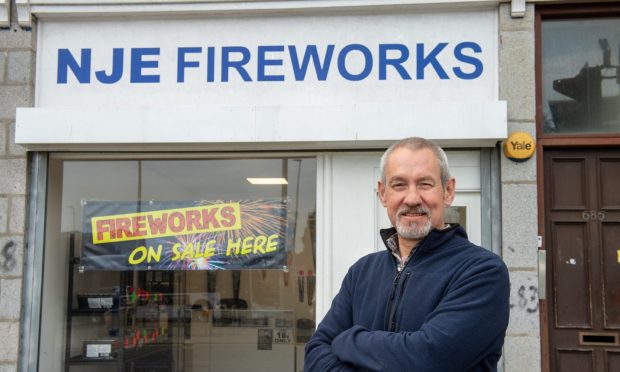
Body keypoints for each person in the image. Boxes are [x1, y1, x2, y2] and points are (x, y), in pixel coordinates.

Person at [304, 137, 510, 371]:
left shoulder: (482, 271)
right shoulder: (362, 272)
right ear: (383, 194)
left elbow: (428, 359)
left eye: (425, 184)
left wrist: (349, 339)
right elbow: (316, 354)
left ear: (448, 191)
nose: (412, 198)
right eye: (399, 185)